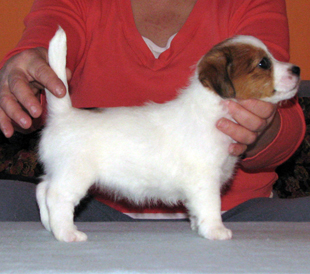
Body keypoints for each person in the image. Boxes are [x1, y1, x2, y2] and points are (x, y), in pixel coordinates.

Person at [0, 0, 308, 222]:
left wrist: (259, 126)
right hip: (102, 209)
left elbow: (285, 114)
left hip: (239, 211)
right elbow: (51, 28)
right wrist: (29, 69)